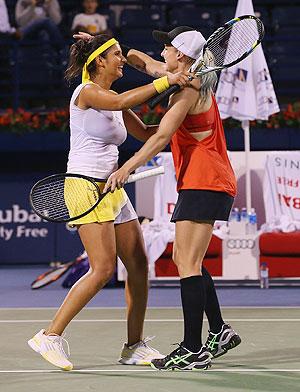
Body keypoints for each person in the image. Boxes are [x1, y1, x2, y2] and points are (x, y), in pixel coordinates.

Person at [27, 33, 190, 371]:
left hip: (112, 188)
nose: (121, 60)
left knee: (140, 266)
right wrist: (168, 81)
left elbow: (146, 132)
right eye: (115, 54)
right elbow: (119, 103)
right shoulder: (87, 93)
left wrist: (186, 111)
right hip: (84, 187)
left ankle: (134, 346)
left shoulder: (114, 96)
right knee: (101, 270)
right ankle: (49, 335)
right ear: (99, 61)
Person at [103, 26, 242, 371]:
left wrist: (127, 168)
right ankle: (220, 331)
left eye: (166, 47)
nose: (161, 51)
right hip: (200, 180)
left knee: (188, 264)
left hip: (205, 179)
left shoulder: (190, 88)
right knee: (186, 257)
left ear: (180, 53)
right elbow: (140, 59)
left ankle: (193, 349)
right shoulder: (179, 73)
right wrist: (108, 47)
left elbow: (162, 134)